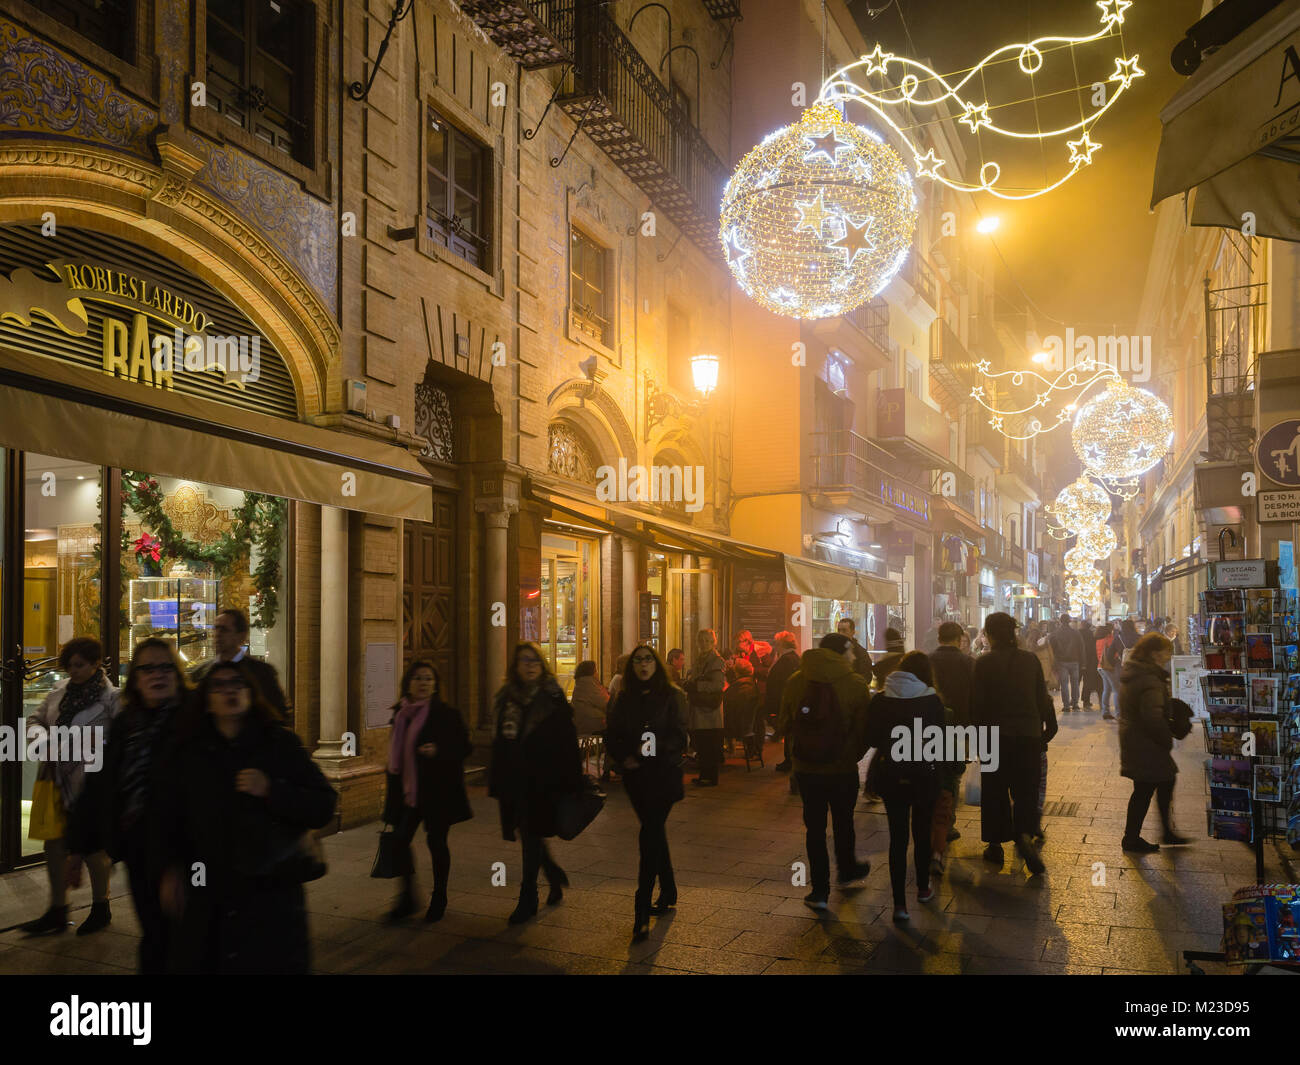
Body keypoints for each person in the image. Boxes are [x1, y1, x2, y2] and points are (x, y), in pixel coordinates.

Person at [156, 660, 335, 973]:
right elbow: (170, 817)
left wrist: (271, 790)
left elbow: (323, 805)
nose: (229, 691)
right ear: (207, 701)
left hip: (270, 895)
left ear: (251, 694)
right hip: (208, 890)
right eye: (219, 685)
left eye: (237, 683)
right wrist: (172, 868)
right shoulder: (189, 752)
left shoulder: (279, 745)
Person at [65, 639, 192, 973]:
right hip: (141, 852)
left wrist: (179, 865)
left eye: (165, 666)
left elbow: (202, 803)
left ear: (177, 674)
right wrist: (77, 847)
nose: (157, 675)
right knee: (155, 936)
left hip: (188, 859)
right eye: (147, 668)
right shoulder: (129, 722)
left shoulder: (194, 722)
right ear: (135, 677)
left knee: (183, 943)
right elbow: (100, 785)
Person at [20, 637, 120, 937]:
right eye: (70, 665)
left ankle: (100, 905)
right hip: (55, 777)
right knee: (54, 843)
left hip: (90, 781)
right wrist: (40, 737)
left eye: (80, 665)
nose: (73, 671)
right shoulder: (58, 690)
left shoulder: (112, 698)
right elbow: (35, 720)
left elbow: (118, 740)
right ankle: (57, 908)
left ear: (95, 664)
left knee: (91, 847)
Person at [777, 632, 872, 911]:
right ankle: (846, 870)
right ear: (843, 652)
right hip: (841, 769)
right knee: (844, 822)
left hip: (807, 769)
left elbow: (784, 723)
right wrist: (851, 755)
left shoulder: (796, 681)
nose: (854, 656)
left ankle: (819, 890)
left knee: (815, 828)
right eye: (851, 651)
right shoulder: (855, 684)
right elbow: (865, 731)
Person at [488, 643, 582, 924]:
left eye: (534, 661)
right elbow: (500, 741)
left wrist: (571, 779)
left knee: (530, 835)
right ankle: (552, 874)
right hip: (515, 777)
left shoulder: (552, 697)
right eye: (523, 661)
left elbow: (567, 740)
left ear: (541, 665)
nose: (529, 665)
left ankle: (527, 898)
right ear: (515, 667)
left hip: (543, 780)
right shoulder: (507, 697)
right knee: (529, 832)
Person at [604, 645, 689, 941]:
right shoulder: (624, 698)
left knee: (649, 833)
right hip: (635, 777)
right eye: (638, 660)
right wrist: (625, 756)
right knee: (653, 831)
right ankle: (668, 888)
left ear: (656, 664)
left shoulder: (672, 695)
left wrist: (648, 752)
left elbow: (679, 735)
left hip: (662, 775)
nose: (643, 665)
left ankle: (641, 906)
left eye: (648, 659)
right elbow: (612, 732)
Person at [382, 659, 473, 924]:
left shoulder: (446, 714)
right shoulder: (400, 714)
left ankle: (439, 897)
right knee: (400, 841)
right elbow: (395, 757)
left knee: (437, 844)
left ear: (435, 686)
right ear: (408, 683)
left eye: (428, 679)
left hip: (437, 792)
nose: (423, 683)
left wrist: (439, 751)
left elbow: (464, 748)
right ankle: (408, 896)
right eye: (418, 678)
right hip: (407, 793)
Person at [970, 612, 1056, 874]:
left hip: (994, 737)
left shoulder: (984, 663)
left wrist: (976, 737)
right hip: (1028, 736)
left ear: (990, 635)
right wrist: (1047, 730)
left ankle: (995, 846)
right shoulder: (1029, 660)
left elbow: (976, 704)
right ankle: (1023, 837)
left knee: (995, 791)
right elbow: (1042, 697)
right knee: (1026, 792)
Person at [866, 651, 945, 922]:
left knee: (898, 839)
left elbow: (873, 738)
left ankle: (899, 905)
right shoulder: (932, 700)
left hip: (891, 773)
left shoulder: (880, 700)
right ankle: (923, 889)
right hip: (924, 774)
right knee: (922, 834)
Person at [1119, 632, 1191, 853]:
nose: (1168, 657)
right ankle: (1133, 838)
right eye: (1165, 653)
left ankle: (1158, 832)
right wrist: (1165, 739)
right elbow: (1152, 716)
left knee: (1155, 784)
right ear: (1154, 654)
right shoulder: (1149, 679)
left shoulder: (1137, 672)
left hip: (1137, 739)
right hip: (1146, 742)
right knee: (1148, 787)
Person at [928, 621, 974, 871]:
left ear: (939, 637)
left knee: (932, 770)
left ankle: (931, 819)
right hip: (960, 727)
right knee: (953, 774)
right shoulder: (968, 663)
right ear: (958, 639)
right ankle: (949, 823)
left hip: (930, 725)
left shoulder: (927, 660)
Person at [191, 608, 289, 721]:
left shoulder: (262, 673)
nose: (217, 634)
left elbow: (279, 714)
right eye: (216, 629)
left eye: (224, 630)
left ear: (241, 636)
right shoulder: (200, 673)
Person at [685, 629, 726, 787]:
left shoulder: (716, 660)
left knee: (709, 745)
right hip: (699, 708)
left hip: (709, 710)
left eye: (707, 641)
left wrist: (696, 685)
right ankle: (704, 775)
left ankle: (710, 777)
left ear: (713, 642)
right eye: (701, 640)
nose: (704, 644)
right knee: (702, 744)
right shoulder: (701, 659)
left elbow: (718, 684)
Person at [767, 632, 800, 772]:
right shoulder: (791, 658)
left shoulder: (787, 660)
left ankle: (790, 760)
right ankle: (789, 759)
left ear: (781, 644)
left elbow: (782, 682)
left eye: (776, 643)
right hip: (785, 700)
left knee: (789, 731)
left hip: (784, 701)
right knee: (789, 731)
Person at [723, 658, 762, 759]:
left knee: (711, 726)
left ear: (737, 672)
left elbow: (728, 704)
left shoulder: (738, 687)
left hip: (737, 725)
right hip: (747, 725)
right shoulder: (750, 684)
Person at [1048, 616, 1083, 712]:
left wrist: (1053, 661)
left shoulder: (1055, 633)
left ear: (1060, 621)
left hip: (1061, 661)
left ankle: (1066, 705)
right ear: (1069, 621)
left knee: (1064, 684)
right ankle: (1075, 704)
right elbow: (1081, 647)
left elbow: (1051, 648)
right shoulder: (1076, 633)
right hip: (1075, 661)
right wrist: (1083, 662)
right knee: (1075, 683)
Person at [570, 660, 609, 738]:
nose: (597, 673)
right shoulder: (588, 683)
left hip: (581, 723)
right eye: (596, 670)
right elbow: (604, 702)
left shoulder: (580, 683)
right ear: (591, 672)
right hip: (592, 724)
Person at [1079, 620, 1102, 711]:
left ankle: (1073, 701)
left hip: (1079, 660)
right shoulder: (1092, 635)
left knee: (1075, 681)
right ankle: (1086, 701)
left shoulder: (1078, 633)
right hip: (1090, 661)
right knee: (1087, 681)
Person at [1097, 621, 1118, 720]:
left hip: (1100, 667)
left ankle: (1105, 711)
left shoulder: (1098, 640)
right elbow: (1115, 654)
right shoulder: (1110, 639)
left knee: (1107, 689)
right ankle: (1119, 713)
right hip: (1108, 667)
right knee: (1116, 690)